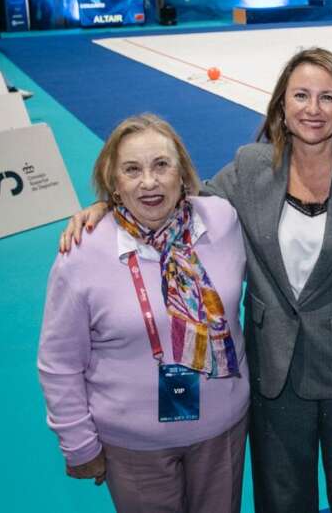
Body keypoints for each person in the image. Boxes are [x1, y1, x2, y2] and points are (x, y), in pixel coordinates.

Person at [60, 47, 332, 513]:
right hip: (274, 371)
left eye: (327, 97)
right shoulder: (250, 167)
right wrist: (109, 204)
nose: (313, 108)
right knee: (282, 500)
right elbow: (179, 198)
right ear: (281, 105)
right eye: (300, 95)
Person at [38, 114, 249, 513]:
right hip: (133, 447)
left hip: (222, 433)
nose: (149, 182)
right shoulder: (82, 252)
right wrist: (78, 444)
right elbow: (59, 362)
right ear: (113, 183)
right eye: (132, 170)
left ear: (183, 174)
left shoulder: (222, 220)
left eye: (161, 165)